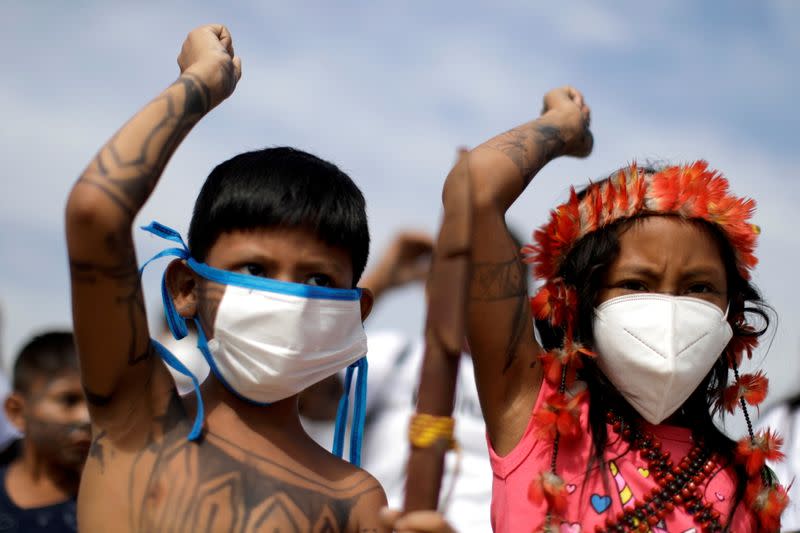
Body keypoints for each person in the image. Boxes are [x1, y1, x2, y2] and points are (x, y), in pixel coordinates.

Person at [406, 86, 787, 532]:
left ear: (733, 314)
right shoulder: (533, 410)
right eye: (635, 284)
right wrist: (562, 129)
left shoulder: (750, 485)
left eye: (699, 287)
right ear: (577, 302)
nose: (669, 308)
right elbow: (473, 191)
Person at [65, 24, 386, 532]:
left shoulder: (356, 499)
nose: (290, 298)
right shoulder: (138, 417)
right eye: (255, 270)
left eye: (320, 282)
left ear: (353, 315)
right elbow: (94, 211)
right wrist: (202, 82)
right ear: (186, 288)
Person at [0, 331, 89, 532]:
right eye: (69, 400)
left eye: (96, 403)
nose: (86, 417)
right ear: (17, 411)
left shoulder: (110, 502)